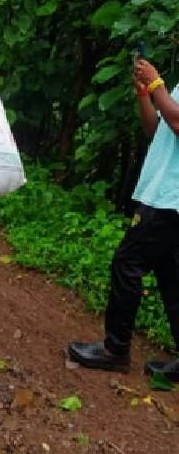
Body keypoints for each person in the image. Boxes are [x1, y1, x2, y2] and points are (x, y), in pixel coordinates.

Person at [68, 57, 179, 383]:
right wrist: (145, 94)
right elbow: (157, 130)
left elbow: (177, 122)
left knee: (127, 262)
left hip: (169, 198)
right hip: (164, 193)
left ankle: (115, 350)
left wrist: (156, 83)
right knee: (172, 278)